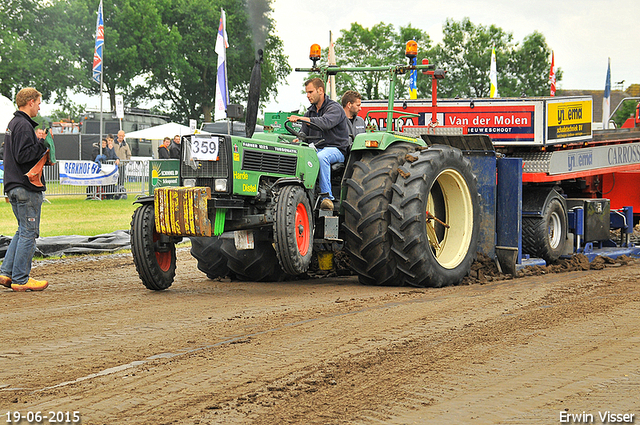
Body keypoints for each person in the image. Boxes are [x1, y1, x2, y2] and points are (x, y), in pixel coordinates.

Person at [0, 87, 49, 291]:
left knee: (22, 232)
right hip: (25, 187)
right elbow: (23, 155)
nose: (39, 106)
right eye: (38, 102)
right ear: (30, 102)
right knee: (29, 233)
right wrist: (42, 145)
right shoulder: (22, 124)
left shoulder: (13, 124)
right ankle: (21, 279)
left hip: (13, 185)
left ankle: (6, 273)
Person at [288, 77, 349, 211]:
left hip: (335, 149)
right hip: (315, 149)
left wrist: (301, 118)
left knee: (321, 157)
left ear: (320, 90)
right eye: (307, 93)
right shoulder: (310, 112)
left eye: (310, 92)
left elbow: (324, 122)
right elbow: (303, 134)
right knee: (298, 153)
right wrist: (298, 140)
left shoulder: (334, 108)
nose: (307, 95)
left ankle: (327, 198)